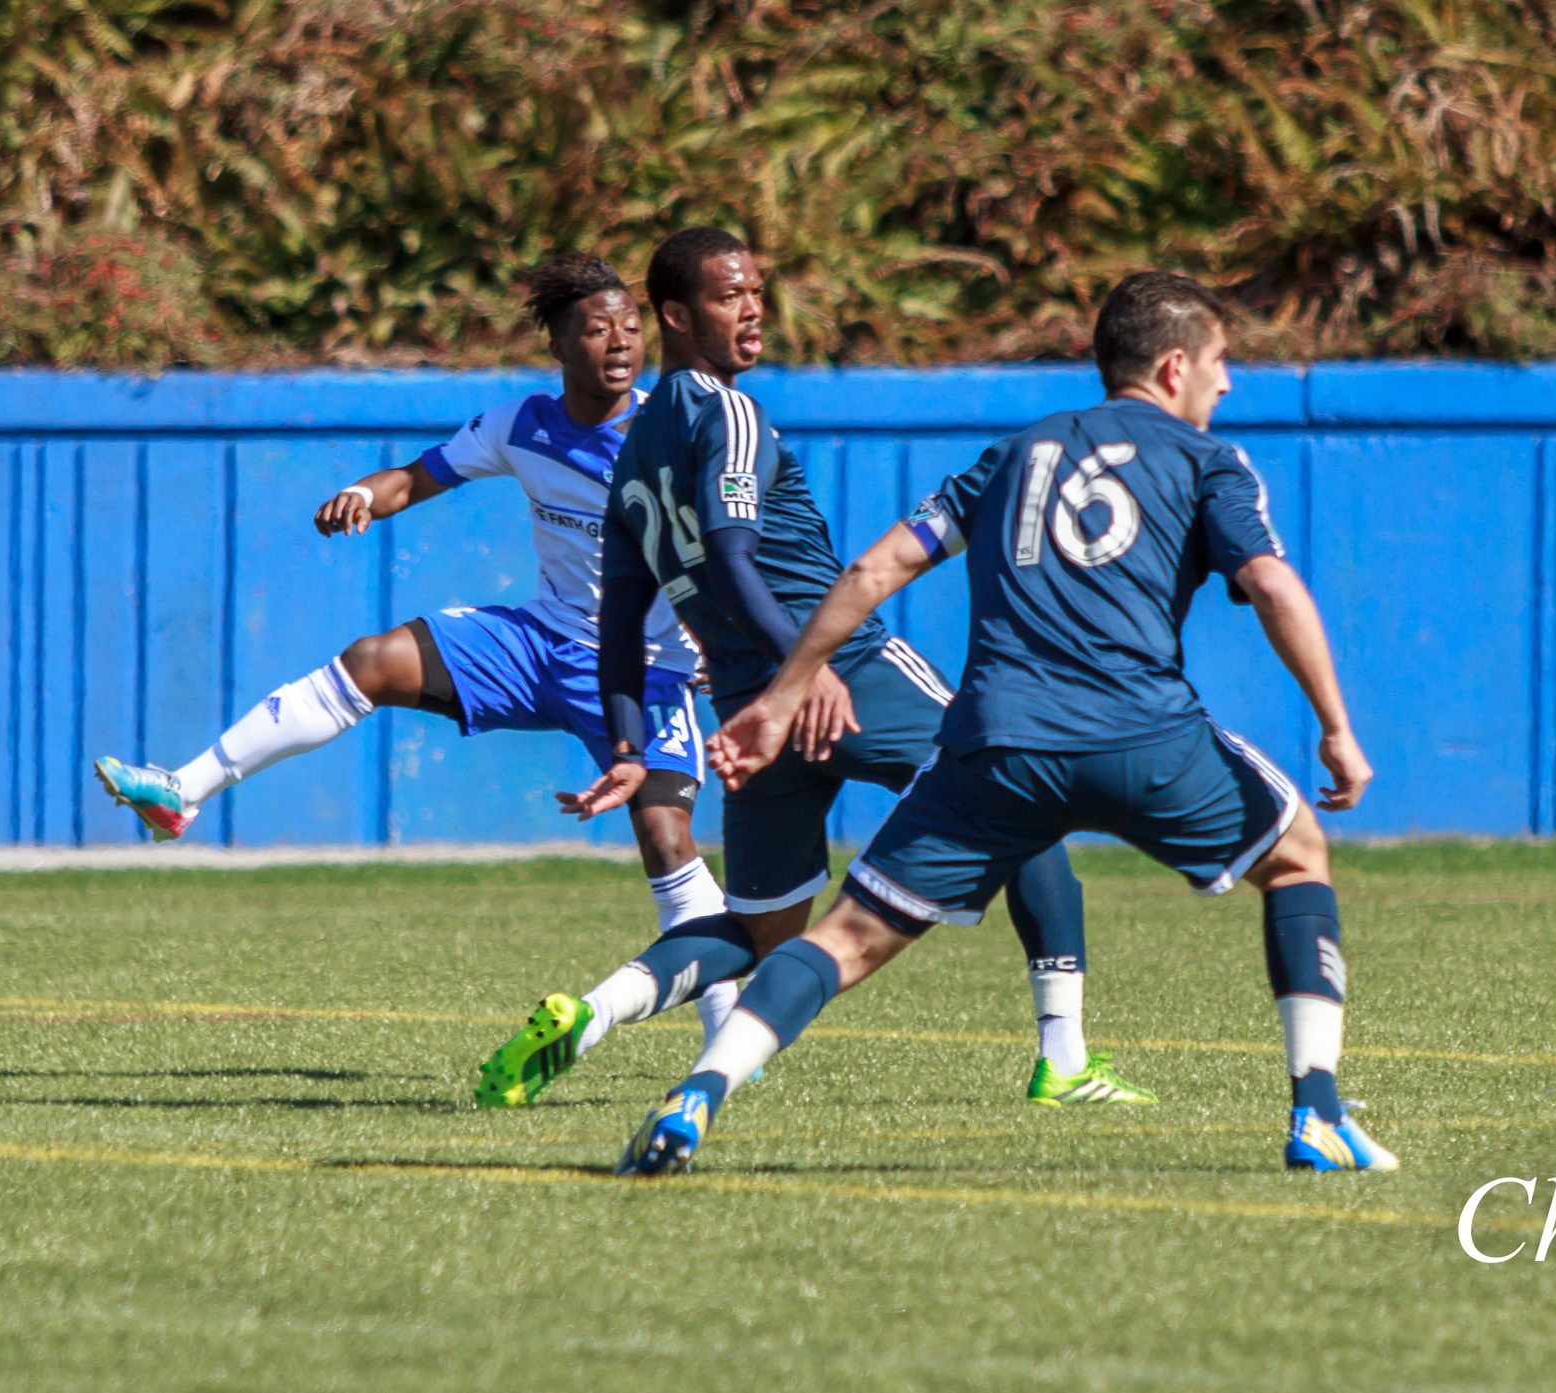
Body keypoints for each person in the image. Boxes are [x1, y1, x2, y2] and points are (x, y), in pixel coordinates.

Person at [615, 270, 1395, 1176]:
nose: (1228, 384)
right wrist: (1336, 725)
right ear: (1176, 364)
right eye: (1222, 363)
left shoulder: (1016, 451)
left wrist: (785, 694)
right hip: (1142, 732)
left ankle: (697, 1094)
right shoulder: (1204, 459)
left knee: (841, 938)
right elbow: (1269, 582)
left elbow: (872, 572)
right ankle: (1319, 1114)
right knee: (1298, 853)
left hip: (994, 748)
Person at [481, 227, 1152, 1110]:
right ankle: (1063, 1060)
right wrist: (810, 667)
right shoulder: (726, 412)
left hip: (750, 709)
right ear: (676, 315)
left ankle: (594, 1014)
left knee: (760, 932)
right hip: (841, 677)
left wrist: (631, 746)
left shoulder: (633, 458)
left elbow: (617, 627)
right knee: (1024, 797)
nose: (753, 308)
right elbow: (729, 555)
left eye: (757, 290)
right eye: (729, 295)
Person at [91, 256, 747, 1066]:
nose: (620, 343)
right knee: (372, 660)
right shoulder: (521, 424)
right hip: (543, 642)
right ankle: (181, 793)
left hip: (646, 671)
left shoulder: (666, 435)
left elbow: (722, 551)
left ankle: (730, 1044)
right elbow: (415, 477)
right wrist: (365, 496)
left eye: (631, 326)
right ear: (558, 341)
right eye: (597, 327)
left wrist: (723, 640)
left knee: (668, 845)